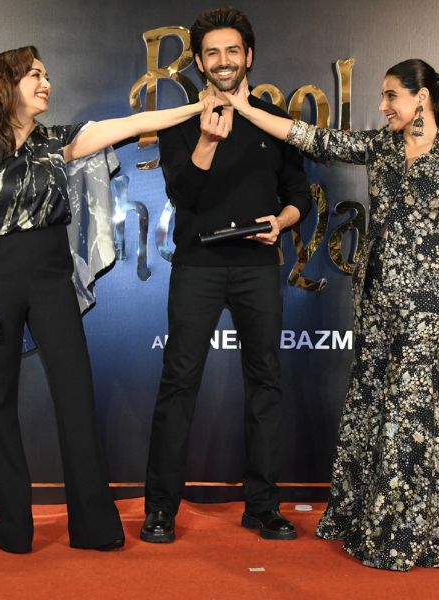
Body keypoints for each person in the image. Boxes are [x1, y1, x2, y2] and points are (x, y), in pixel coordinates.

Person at [0, 45, 219, 554]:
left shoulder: (59, 142)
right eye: (35, 75)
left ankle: (94, 526)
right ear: (7, 82)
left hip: (52, 278)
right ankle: (14, 529)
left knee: (75, 398)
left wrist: (196, 108)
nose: (46, 83)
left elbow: (132, 123)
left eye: (47, 75)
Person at [224, 59, 439, 570]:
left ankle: (404, 536)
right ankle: (360, 517)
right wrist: (246, 109)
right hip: (374, 295)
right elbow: (312, 138)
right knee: (370, 398)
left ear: (421, 97)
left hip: (427, 298)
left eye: (391, 96)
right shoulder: (381, 146)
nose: (383, 106)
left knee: (409, 408)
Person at [141, 7, 312, 543]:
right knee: (178, 384)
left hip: (258, 268)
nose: (222, 61)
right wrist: (208, 141)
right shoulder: (180, 121)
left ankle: (263, 507)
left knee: (265, 383)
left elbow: (299, 195)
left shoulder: (272, 120)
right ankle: (161, 509)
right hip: (198, 268)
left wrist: (282, 222)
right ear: (198, 62)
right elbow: (183, 195)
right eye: (212, 52)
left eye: (232, 50)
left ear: (248, 57)